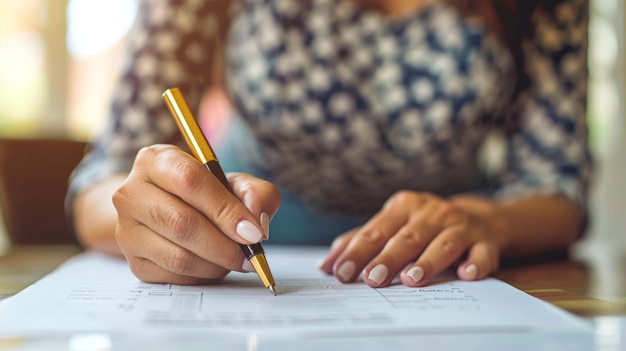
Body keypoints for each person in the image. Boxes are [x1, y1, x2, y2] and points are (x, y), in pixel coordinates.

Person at [66, 0, 592, 289]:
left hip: (443, 248)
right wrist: (154, 213)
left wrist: (486, 221)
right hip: (251, 231)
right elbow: (103, 177)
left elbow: (556, 184)